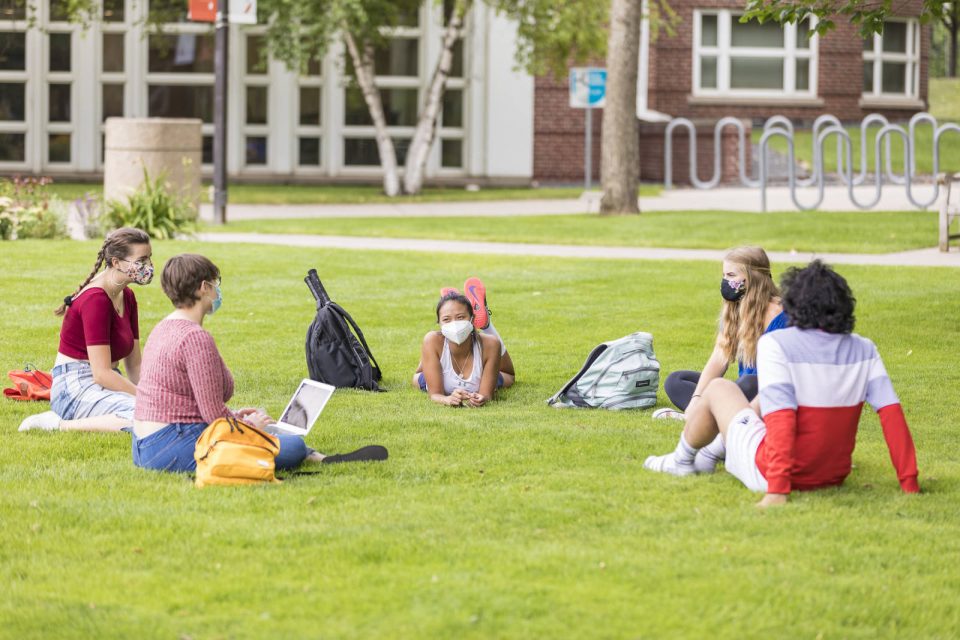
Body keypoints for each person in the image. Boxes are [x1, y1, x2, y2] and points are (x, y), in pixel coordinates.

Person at [643, 260, 919, 508]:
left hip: (771, 472)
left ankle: (681, 459)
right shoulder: (865, 348)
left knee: (719, 389)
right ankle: (709, 453)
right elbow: (892, 415)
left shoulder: (778, 344)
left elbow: (781, 417)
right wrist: (909, 482)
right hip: (833, 475)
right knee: (749, 397)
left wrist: (777, 491)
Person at [131, 253, 387, 472]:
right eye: (215, 284)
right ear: (203, 287)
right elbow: (213, 417)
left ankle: (316, 456)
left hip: (147, 442)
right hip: (171, 445)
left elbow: (216, 396)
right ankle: (308, 454)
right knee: (292, 446)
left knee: (270, 434)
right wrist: (248, 425)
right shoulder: (194, 337)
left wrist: (236, 416)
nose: (218, 291)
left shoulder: (165, 327)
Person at [651, 246, 787, 471]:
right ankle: (699, 416)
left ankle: (709, 423)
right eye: (724, 275)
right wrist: (695, 399)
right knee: (676, 381)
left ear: (752, 277)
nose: (725, 282)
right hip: (741, 395)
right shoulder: (736, 307)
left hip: (767, 394)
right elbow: (719, 359)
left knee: (748, 383)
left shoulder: (778, 314)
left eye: (731, 275)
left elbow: (778, 376)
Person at [19, 227, 153, 433]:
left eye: (149, 259)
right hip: (74, 388)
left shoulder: (127, 296)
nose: (148, 267)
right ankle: (56, 425)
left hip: (105, 381)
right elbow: (101, 373)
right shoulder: (95, 299)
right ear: (116, 262)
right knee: (145, 417)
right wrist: (145, 399)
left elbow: (134, 366)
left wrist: (152, 396)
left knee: (159, 413)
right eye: (141, 261)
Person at [412, 277, 515, 407]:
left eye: (460, 317)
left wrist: (481, 398)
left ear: (472, 319)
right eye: (447, 319)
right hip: (439, 360)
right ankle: (453, 302)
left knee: (508, 376)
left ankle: (486, 324)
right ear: (439, 324)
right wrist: (447, 399)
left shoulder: (490, 343)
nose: (454, 324)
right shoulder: (432, 339)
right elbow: (435, 394)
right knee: (417, 377)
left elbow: (487, 395)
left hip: (479, 366)